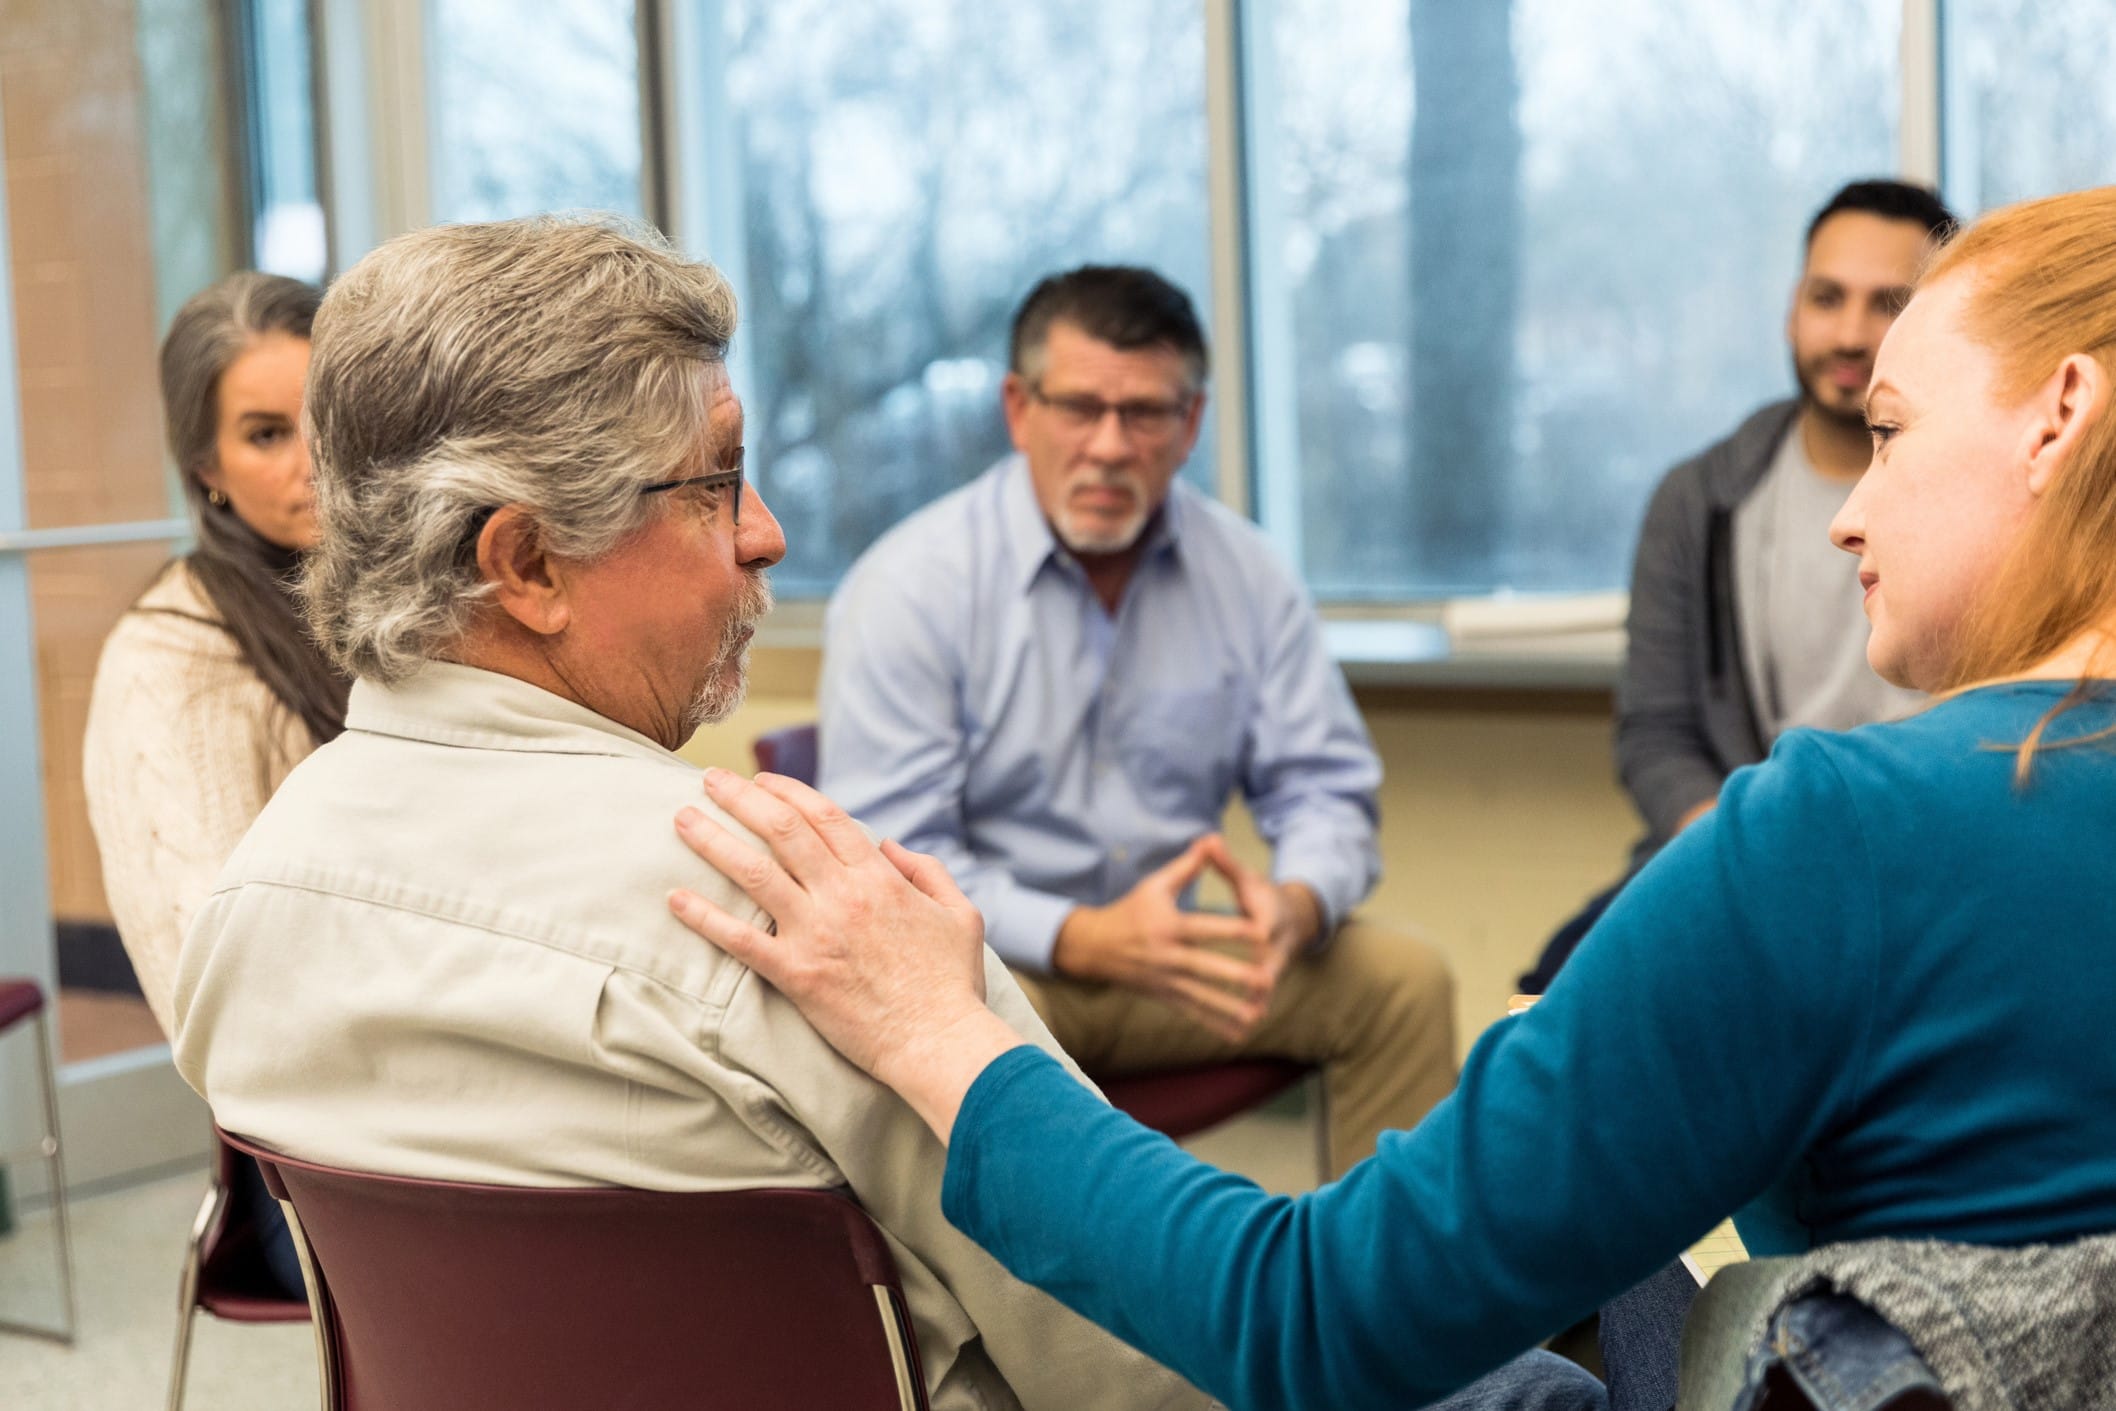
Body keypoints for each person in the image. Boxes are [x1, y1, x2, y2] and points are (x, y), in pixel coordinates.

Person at [669, 185, 2116, 1409]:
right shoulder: (920, 578)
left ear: (2059, 417)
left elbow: (1308, 1320)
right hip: (1043, 935)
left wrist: (941, 1031)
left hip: (1176, 999)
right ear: (1020, 409)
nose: (1849, 506)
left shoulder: (1836, 833)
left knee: (1449, 1331)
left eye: (1893, 430)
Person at [170, 216, 1212, 1411]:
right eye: (716, 479)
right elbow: (1156, 1359)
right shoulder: (805, 914)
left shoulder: (250, 912)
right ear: (529, 564)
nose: (763, 531)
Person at [819, 265, 1454, 1175]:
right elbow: (897, 862)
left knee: (1402, 983)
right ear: (1018, 407)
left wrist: (1295, 902)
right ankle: (1026, 1317)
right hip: (1000, 970)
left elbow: (1325, 787)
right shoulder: (910, 587)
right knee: (931, 1021)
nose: (1110, 446)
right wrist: (1079, 934)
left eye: (1146, 413)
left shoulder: (1249, 575)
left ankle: (1384, 1310)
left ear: (1190, 423)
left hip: (1181, 960)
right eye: (1080, 407)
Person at [1523, 179, 1956, 991]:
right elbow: (1655, 732)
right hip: (1735, 854)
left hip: (1926, 862)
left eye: (1888, 303)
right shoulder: (1698, 500)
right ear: (1793, 310)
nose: (1852, 332)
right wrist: (1740, 849)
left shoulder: (1993, 502)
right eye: (1828, 298)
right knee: (1548, 993)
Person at [82, 271, 345, 1297]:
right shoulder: (170, 658)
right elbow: (214, 997)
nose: (314, 461)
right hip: (316, 1175)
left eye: (326, 416)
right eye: (267, 433)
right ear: (208, 468)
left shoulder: (403, 602)